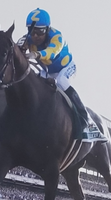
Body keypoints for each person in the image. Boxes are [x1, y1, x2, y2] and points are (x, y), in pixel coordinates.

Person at [18, 8, 106, 142]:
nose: (35, 36)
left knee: (61, 81)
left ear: (47, 29)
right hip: (48, 71)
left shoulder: (57, 37)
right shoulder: (27, 39)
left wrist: (36, 54)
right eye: (32, 30)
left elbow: (52, 52)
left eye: (40, 32)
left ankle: (86, 120)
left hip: (66, 68)